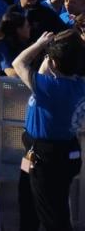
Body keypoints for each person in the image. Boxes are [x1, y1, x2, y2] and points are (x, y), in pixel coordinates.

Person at [12, 30, 85, 231]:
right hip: (40, 153)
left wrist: (39, 44)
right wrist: (49, 56)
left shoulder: (50, 87)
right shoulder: (78, 85)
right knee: (27, 196)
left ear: (53, 63)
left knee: (51, 213)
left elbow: (18, 63)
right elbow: (47, 71)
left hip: (45, 156)